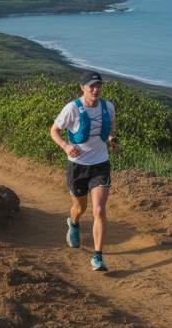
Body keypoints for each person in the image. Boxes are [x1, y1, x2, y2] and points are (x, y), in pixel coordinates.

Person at [49, 71, 119, 271]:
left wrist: (112, 139)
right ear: (83, 88)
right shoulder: (72, 108)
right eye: (91, 86)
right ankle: (74, 223)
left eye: (99, 86)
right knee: (80, 208)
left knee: (99, 210)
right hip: (77, 166)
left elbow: (110, 127)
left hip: (100, 164)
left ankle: (98, 257)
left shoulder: (108, 107)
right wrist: (65, 146)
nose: (96, 90)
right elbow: (54, 130)